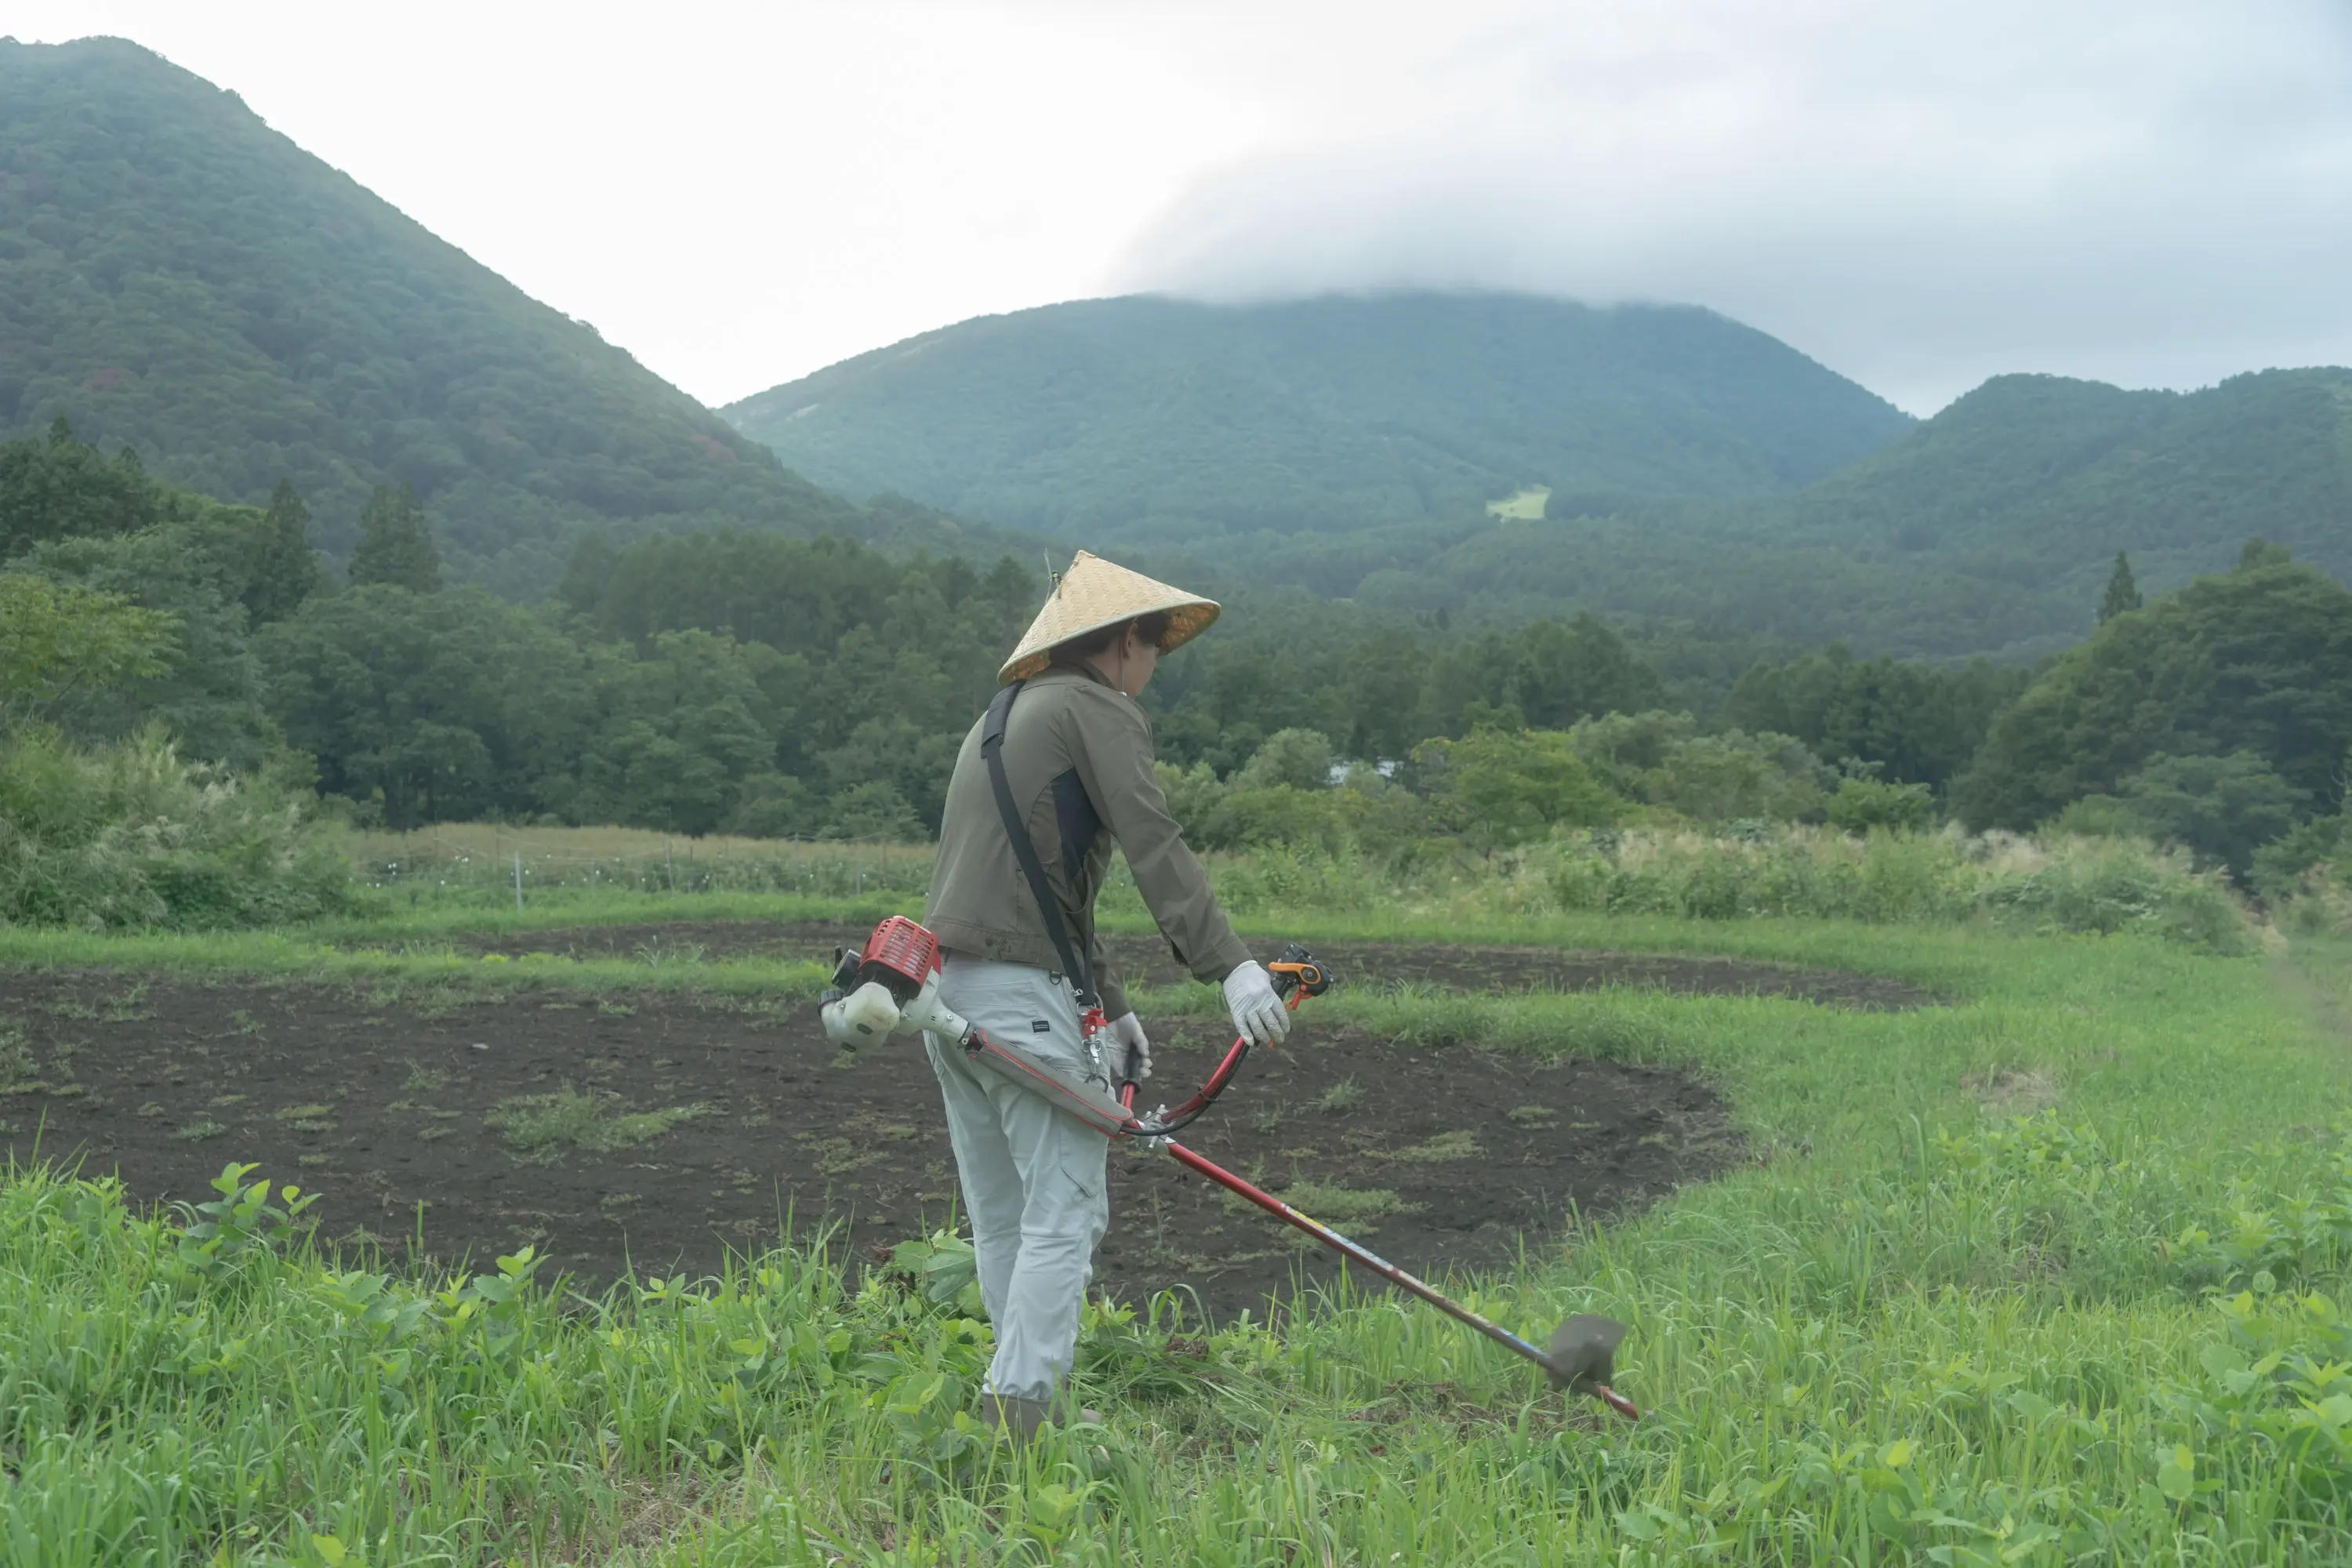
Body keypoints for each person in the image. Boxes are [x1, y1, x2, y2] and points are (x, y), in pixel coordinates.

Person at [923, 550, 1291, 1439]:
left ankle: (1013, 1406)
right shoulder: (1097, 707)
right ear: (1123, 641)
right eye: (1155, 645)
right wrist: (1231, 964)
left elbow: (1042, 885)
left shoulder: (1002, 717)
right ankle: (1022, 1423)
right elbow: (1152, 842)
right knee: (1067, 1212)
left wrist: (1112, 1003)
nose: (1155, 665)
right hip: (1018, 998)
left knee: (1006, 1216)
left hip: (945, 995)